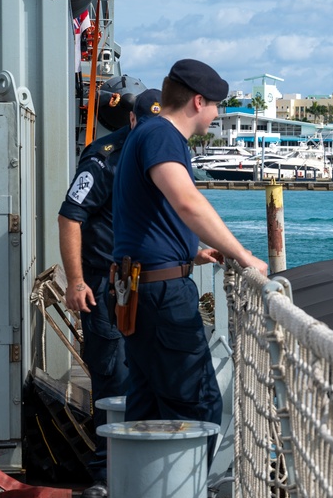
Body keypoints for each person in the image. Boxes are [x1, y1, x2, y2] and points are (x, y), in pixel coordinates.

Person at [111, 58, 267, 458]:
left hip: (140, 291)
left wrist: (188, 252)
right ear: (199, 102)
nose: (217, 115)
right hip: (162, 298)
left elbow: (148, 214)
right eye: (217, 106)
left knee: (146, 410)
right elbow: (186, 202)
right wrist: (244, 255)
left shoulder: (145, 134)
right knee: (197, 409)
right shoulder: (162, 136)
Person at [58, 87, 162, 498]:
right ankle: (107, 472)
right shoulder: (103, 159)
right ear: (132, 121)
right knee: (112, 378)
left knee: (154, 376)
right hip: (106, 285)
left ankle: (145, 469)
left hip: (152, 283)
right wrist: (76, 281)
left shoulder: (163, 153)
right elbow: (71, 216)